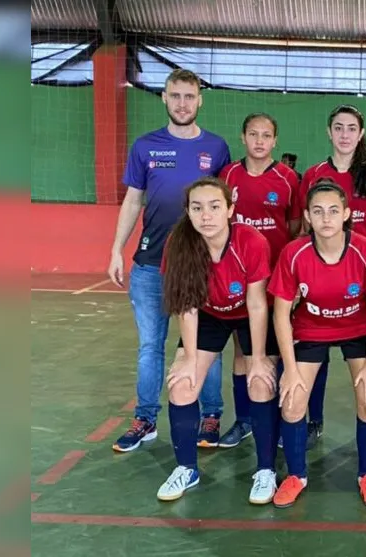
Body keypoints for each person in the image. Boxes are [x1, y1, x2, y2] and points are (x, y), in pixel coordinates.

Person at [107, 68, 231, 452]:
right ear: (164, 98)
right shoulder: (145, 146)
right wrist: (116, 248)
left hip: (200, 266)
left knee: (206, 343)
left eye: (189, 96)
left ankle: (211, 415)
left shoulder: (217, 148)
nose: (182, 103)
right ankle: (145, 419)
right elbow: (133, 200)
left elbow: (225, 207)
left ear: (200, 100)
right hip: (149, 266)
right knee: (151, 346)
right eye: (175, 96)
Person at [268, 179, 366, 509]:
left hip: (358, 328)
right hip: (310, 329)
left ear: (347, 214)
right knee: (292, 400)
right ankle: (296, 475)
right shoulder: (294, 254)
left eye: (334, 211)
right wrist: (290, 369)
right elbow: (280, 313)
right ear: (307, 216)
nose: (326, 218)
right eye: (318, 211)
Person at [155, 177, 276, 502]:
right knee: (182, 384)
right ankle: (186, 469)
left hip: (248, 313)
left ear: (230, 210)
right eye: (197, 208)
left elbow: (256, 303)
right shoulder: (178, 244)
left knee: (261, 382)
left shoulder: (251, 241)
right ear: (188, 212)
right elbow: (188, 306)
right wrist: (191, 361)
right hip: (208, 314)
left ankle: (266, 470)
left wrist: (260, 356)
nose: (205, 215)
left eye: (214, 207)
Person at [299, 104, 366, 449]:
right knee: (314, 354)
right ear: (329, 132)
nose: (345, 134)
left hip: (359, 276)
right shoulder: (314, 173)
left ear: (360, 134)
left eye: (352, 128)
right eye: (339, 127)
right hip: (320, 275)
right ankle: (313, 420)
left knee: (365, 359)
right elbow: (302, 228)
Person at [216, 112, 300, 449]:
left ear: (275, 140)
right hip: (238, 280)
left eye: (267, 135)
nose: (260, 141)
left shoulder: (287, 178)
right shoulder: (229, 175)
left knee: (277, 352)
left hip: (275, 281)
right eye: (254, 134)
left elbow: (294, 229)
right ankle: (245, 420)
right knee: (243, 352)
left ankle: (279, 419)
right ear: (243, 137)